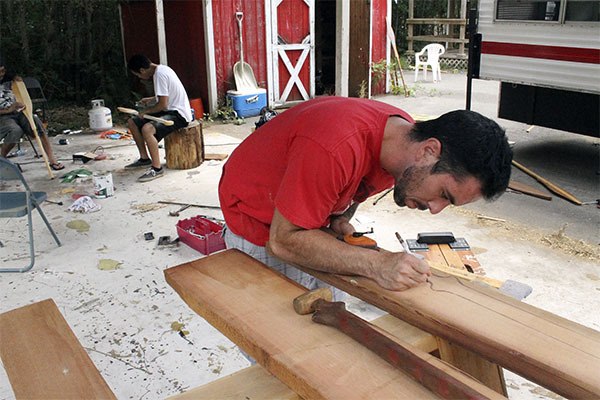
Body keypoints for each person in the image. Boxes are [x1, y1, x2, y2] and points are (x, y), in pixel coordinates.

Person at [218, 96, 512, 293]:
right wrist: (376, 264)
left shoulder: (401, 146)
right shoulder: (334, 146)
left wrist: (338, 215)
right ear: (428, 151)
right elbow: (282, 241)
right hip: (257, 222)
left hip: (297, 222)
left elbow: (358, 186)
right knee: (281, 352)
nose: (436, 209)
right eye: (444, 194)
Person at [125, 54, 192, 182]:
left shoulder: (160, 75)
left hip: (179, 114)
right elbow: (164, 97)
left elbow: (162, 105)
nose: (140, 78)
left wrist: (146, 111)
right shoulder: (161, 69)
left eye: (138, 75)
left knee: (147, 129)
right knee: (132, 122)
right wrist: (151, 100)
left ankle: (157, 168)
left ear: (142, 70)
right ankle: (144, 159)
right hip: (170, 109)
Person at [0, 64, 64, 169]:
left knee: (36, 123)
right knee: (15, 130)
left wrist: (22, 103)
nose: (1, 74)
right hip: (3, 117)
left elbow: (22, 95)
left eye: (2, 71)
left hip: (20, 112)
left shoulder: (10, 79)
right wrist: (8, 110)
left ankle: (52, 159)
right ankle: (2, 158)